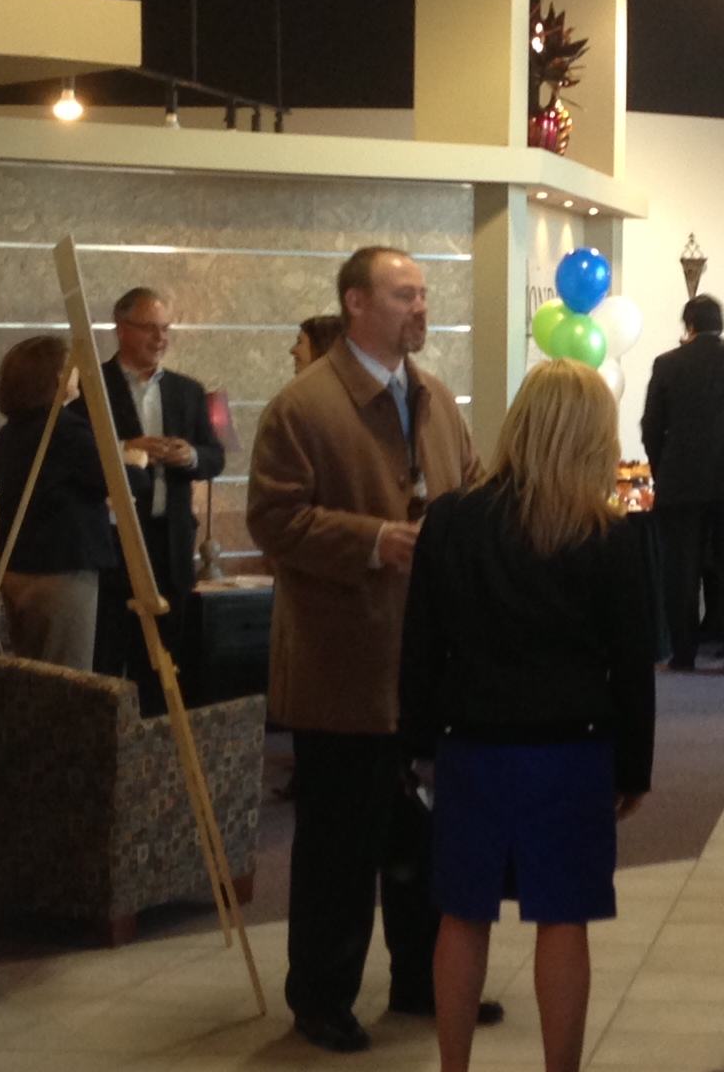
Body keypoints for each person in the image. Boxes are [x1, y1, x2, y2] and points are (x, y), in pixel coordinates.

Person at [247, 246, 491, 1054]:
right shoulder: (303, 408)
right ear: (355, 302)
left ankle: (423, 980)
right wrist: (375, 540)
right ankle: (321, 998)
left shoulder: (436, 399)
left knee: (424, 839)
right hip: (343, 666)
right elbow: (274, 521)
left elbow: (471, 492)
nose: (420, 308)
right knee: (339, 849)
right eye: (402, 295)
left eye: (423, 294)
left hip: (427, 669)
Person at [399, 360, 655, 1072]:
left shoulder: (451, 520)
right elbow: (632, 664)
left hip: (470, 745)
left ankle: (453, 1066)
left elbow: (421, 646)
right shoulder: (607, 533)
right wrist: (634, 767)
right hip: (572, 752)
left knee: (462, 913)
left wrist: (415, 746)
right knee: (563, 917)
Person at [86, 287, 225, 711]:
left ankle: (160, 739)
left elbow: (215, 457)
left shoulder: (188, 391)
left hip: (171, 542)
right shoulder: (93, 387)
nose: (160, 338)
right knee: (108, 655)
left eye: (166, 329)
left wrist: (190, 455)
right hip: (115, 544)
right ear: (122, 328)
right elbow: (76, 455)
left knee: (164, 663)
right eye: (150, 328)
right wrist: (127, 448)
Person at [0, 336, 146, 671]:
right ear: (55, 377)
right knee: (66, 678)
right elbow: (119, 482)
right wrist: (136, 463)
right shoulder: (63, 430)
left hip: (18, 568)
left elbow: (52, 491)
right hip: (60, 573)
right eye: (71, 368)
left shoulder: (10, 433)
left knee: (31, 677)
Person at [640, 294, 724, 676]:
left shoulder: (667, 363)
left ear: (689, 325)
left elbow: (651, 425)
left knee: (682, 572)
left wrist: (661, 468)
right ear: (722, 323)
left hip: (680, 482)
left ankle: (683, 653)